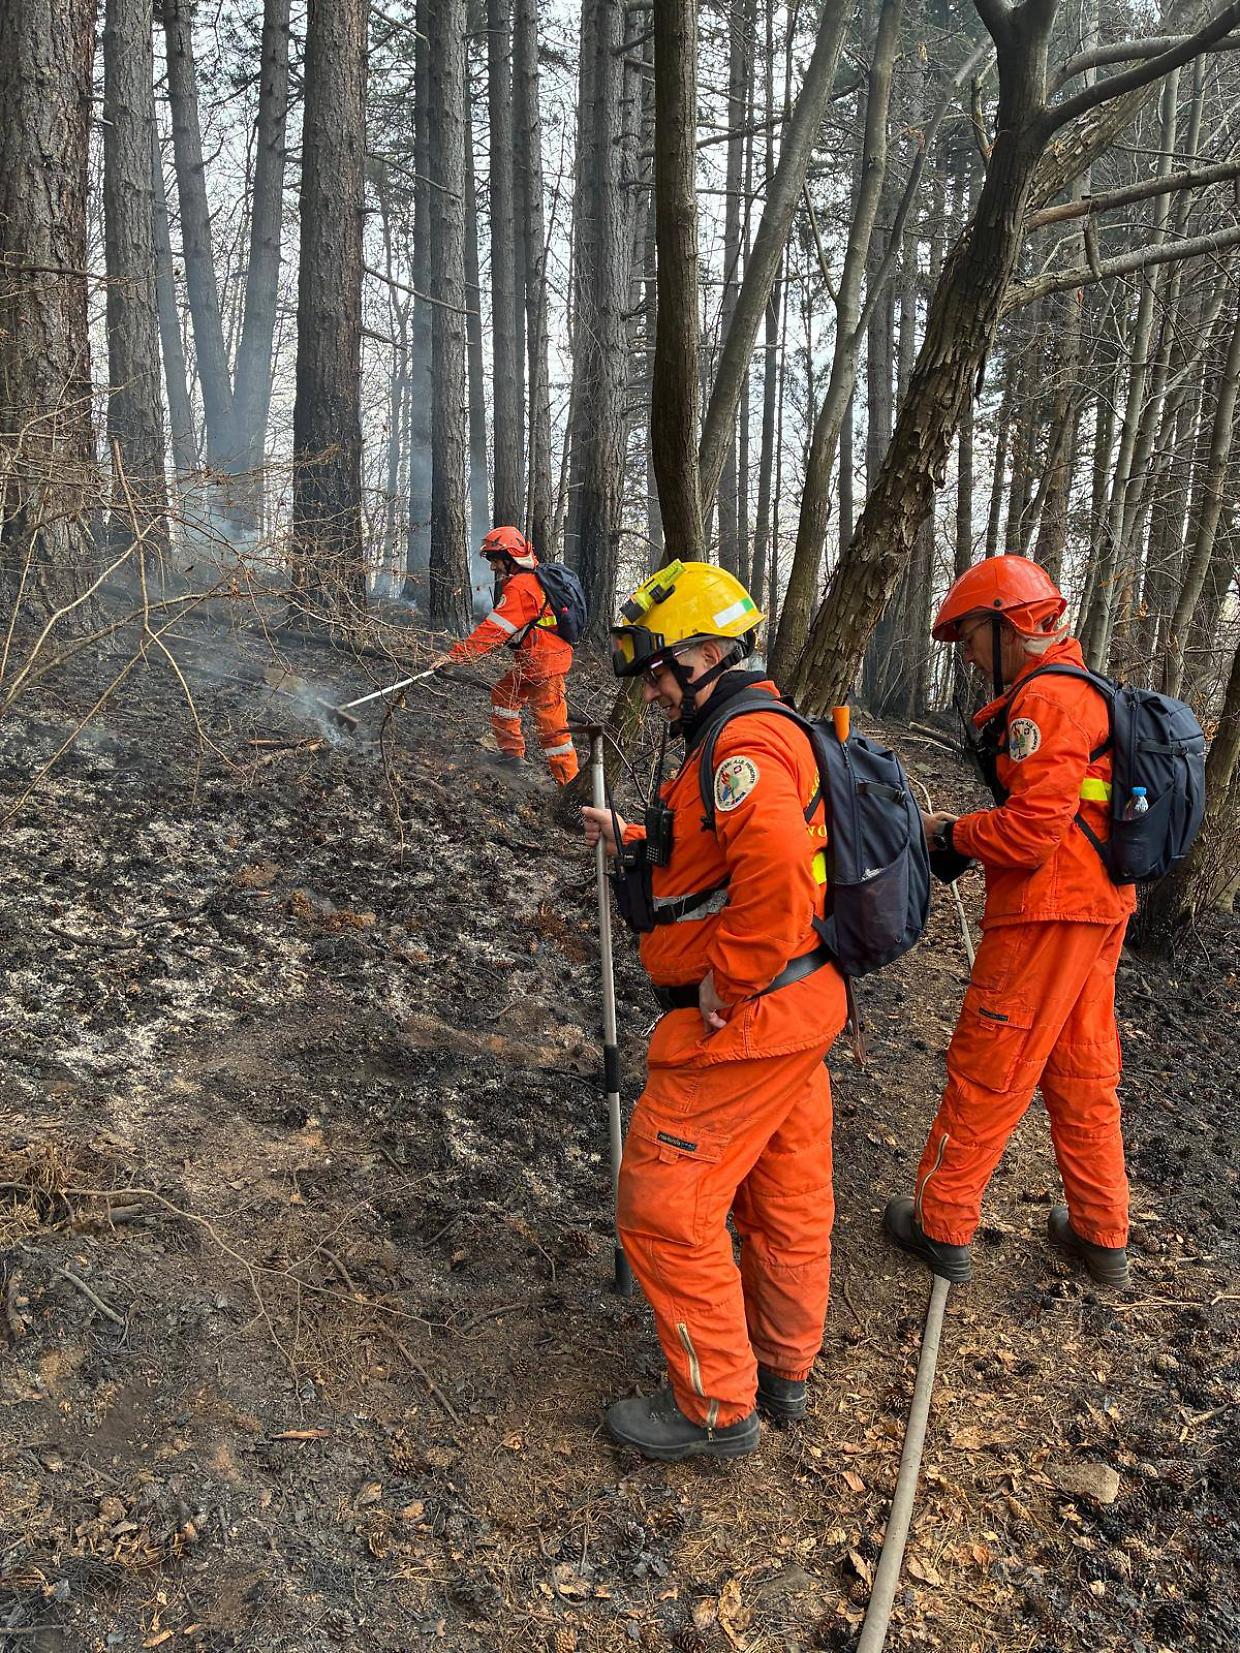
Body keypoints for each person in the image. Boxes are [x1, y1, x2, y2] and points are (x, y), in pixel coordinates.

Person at [581, 562, 848, 1461]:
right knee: (784, 1193)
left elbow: (772, 874)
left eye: (659, 669)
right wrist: (631, 840)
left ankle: (715, 1406)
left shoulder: (741, 748)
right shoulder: (738, 736)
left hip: (752, 1017)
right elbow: (720, 856)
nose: (652, 689)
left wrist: (725, 986)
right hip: (798, 1008)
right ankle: (782, 1366)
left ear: (703, 650)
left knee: (663, 1200)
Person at [884, 557, 1134, 1290]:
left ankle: (942, 1221)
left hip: (1048, 912)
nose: (965, 653)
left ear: (1009, 624)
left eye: (970, 635)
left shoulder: (1045, 702)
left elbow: (1030, 832)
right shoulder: (1085, 690)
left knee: (988, 1065)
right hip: (1097, 907)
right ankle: (1101, 1231)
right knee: (1082, 1071)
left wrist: (952, 834)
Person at [444, 526, 579, 785]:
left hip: (545, 664)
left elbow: (493, 630)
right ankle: (512, 756)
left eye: (495, 560)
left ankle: (572, 790)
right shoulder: (527, 581)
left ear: (509, 557)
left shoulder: (522, 587)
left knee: (553, 730)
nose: (493, 567)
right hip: (534, 661)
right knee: (504, 695)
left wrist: (456, 657)